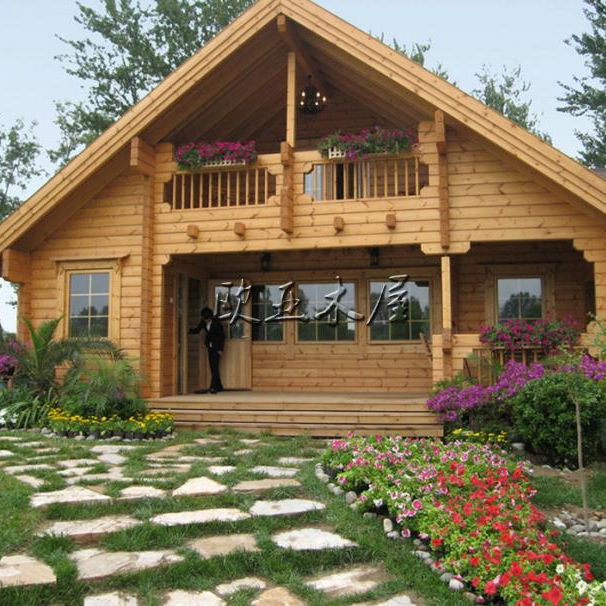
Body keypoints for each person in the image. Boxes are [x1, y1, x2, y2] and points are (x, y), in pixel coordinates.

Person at [189, 307, 225, 393]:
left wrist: (220, 349)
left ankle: (213, 387)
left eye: (207, 319)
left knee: (215, 366)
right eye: (204, 319)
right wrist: (188, 331)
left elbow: (222, 337)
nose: (205, 320)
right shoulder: (203, 322)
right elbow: (197, 329)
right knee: (212, 367)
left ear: (210, 317)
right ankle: (219, 386)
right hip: (210, 347)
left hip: (217, 347)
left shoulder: (217, 323)